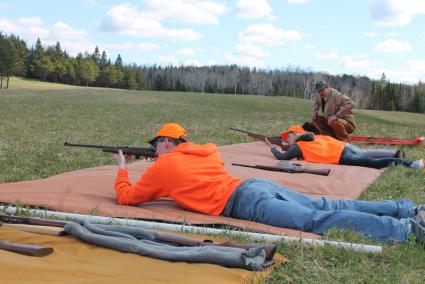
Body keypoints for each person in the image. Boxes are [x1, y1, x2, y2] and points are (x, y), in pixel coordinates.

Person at [113, 123, 425, 244]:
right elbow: (193, 174)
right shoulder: (205, 152)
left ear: (166, 143)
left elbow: (127, 198)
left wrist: (123, 168)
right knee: (328, 204)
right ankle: (406, 209)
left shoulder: (164, 165)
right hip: (256, 186)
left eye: (157, 144)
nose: (154, 149)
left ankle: (407, 230)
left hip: (246, 202)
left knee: (318, 219)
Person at [264, 125, 424, 169]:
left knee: (373, 163)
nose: (287, 139)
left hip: (341, 157)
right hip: (344, 148)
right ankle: (397, 156)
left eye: (288, 136)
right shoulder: (311, 137)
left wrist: (271, 147)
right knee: (368, 156)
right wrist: (286, 146)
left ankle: (412, 164)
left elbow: (282, 159)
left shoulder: (297, 147)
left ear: (295, 134)